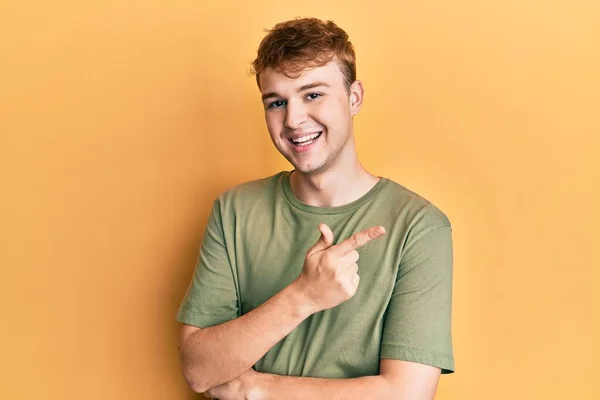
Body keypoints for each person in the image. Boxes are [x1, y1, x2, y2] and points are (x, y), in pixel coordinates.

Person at [177, 17, 454, 399]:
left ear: (354, 97)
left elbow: (407, 393)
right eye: (277, 102)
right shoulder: (234, 210)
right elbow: (198, 369)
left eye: (312, 95)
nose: (292, 120)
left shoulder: (419, 226)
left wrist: (257, 390)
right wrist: (305, 295)